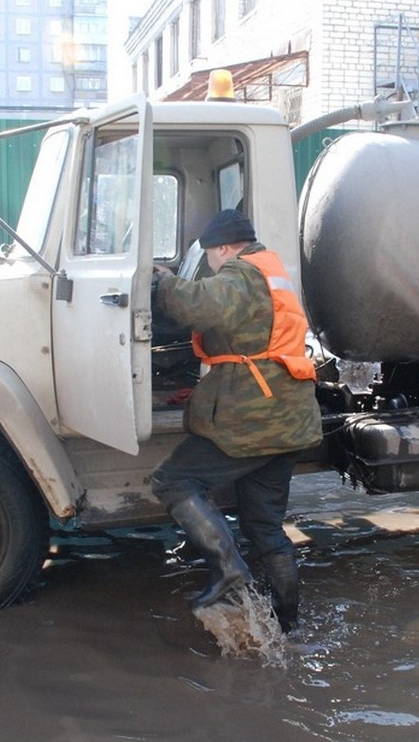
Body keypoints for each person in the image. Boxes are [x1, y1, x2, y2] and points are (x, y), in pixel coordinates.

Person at [151, 209, 322, 632]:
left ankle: (228, 573)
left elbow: (198, 306)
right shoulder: (271, 268)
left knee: (173, 481)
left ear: (224, 248)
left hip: (254, 420)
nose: (210, 263)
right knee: (264, 526)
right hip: (288, 418)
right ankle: (289, 627)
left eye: (209, 255)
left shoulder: (241, 274)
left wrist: (160, 280)